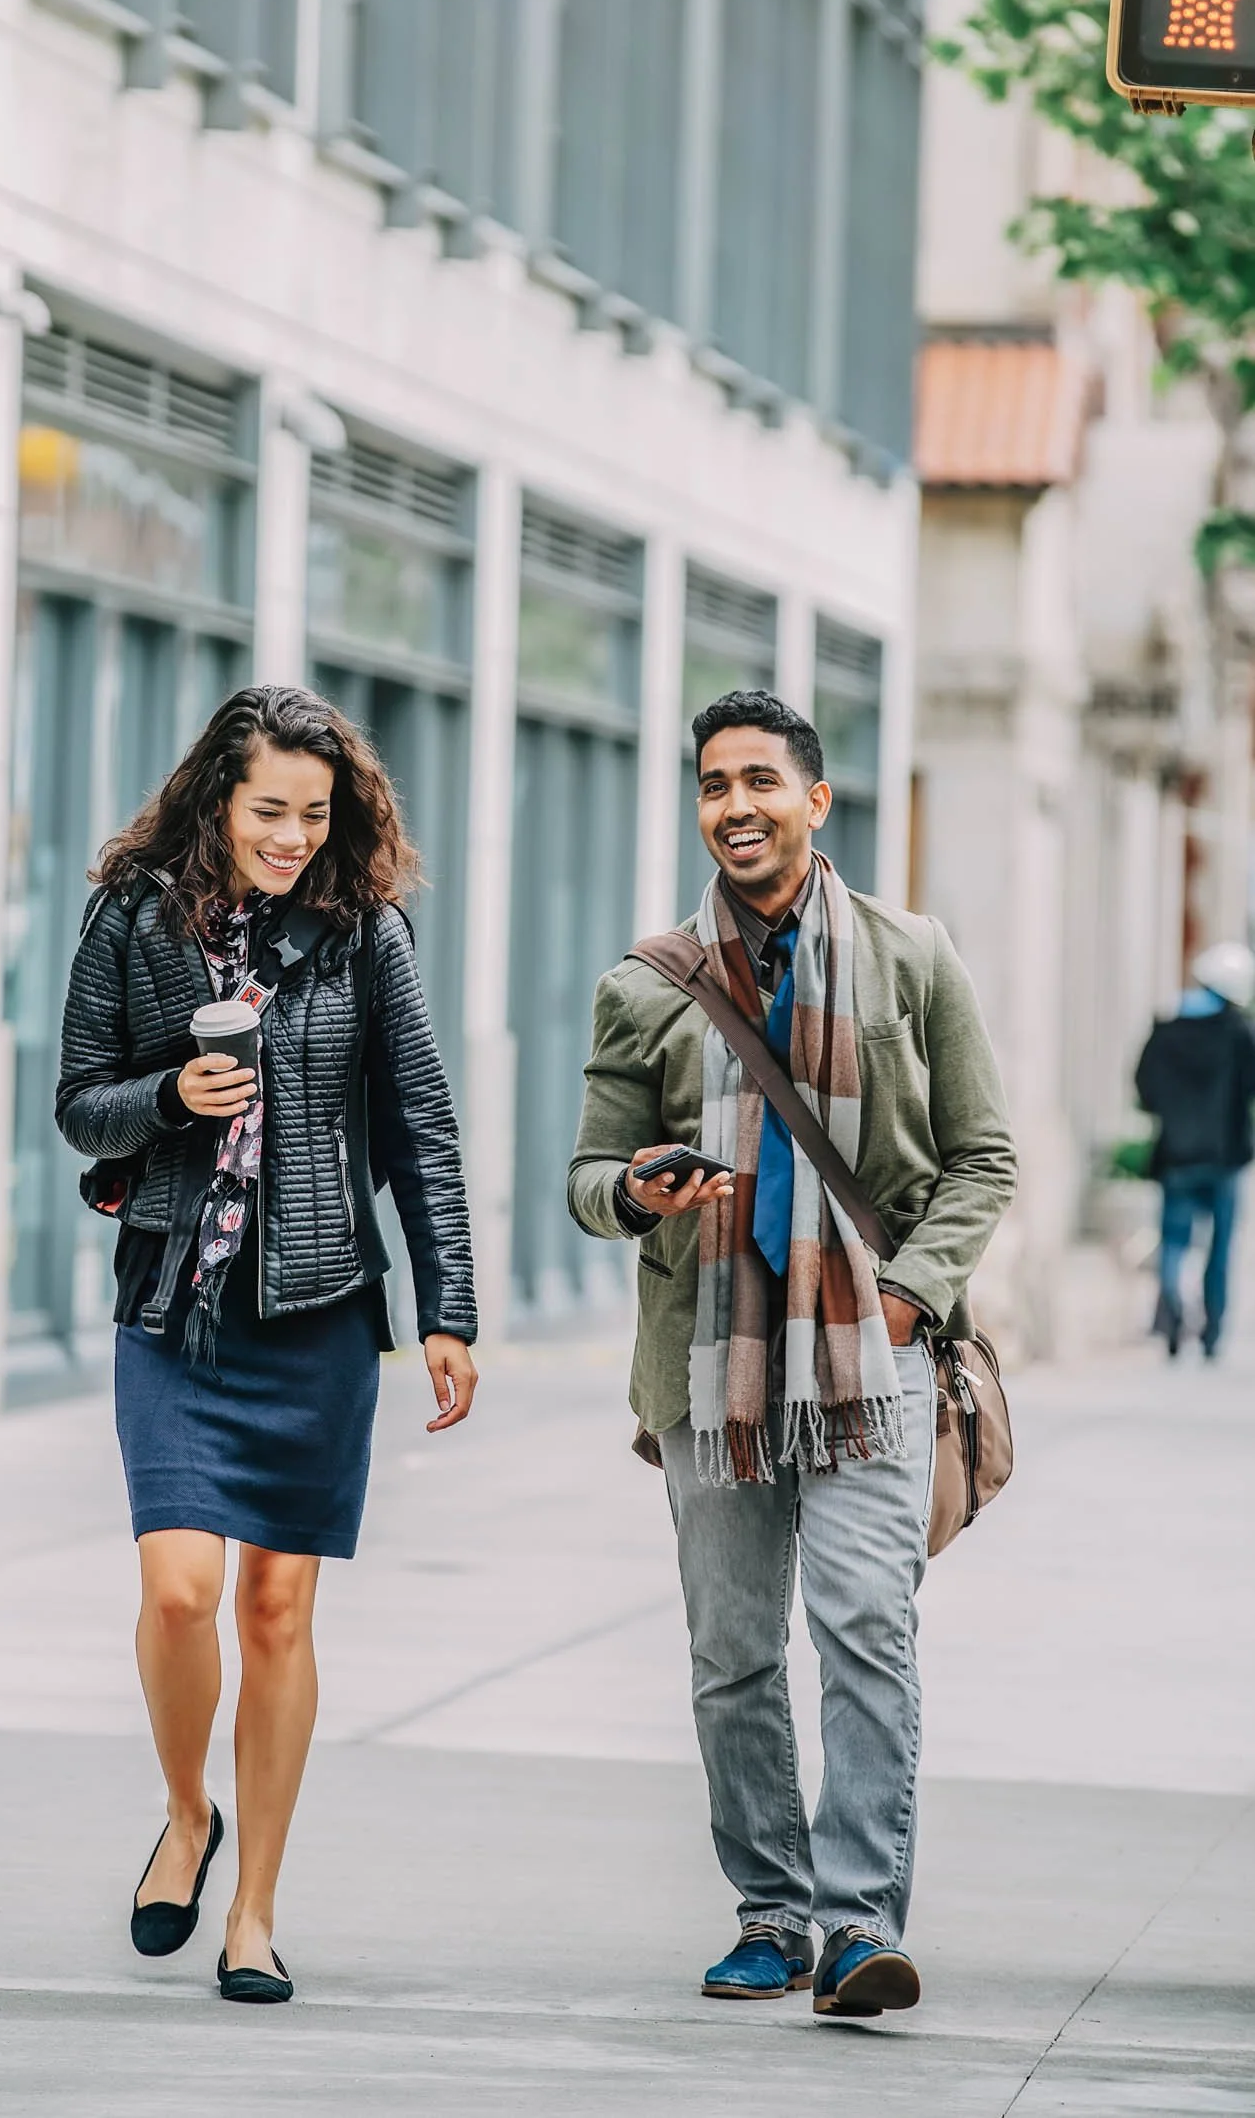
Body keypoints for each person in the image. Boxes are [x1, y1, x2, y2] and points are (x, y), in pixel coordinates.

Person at [567, 688, 1015, 2021]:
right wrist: (636, 1190)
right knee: (731, 1655)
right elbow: (588, 1176)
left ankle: (858, 1926)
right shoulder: (642, 985)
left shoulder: (909, 956)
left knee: (865, 1631)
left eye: (759, 779)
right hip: (710, 1372)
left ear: (814, 800)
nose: (734, 805)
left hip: (865, 1364)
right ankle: (768, 1912)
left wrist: (905, 1297)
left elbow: (980, 1158)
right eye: (712, 785)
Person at [56, 684, 478, 2006]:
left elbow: (419, 1123)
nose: (293, 836)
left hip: (315, 1318)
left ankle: (251, 1913)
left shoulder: (364, 938)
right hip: (174, 1309)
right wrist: (170, 1094)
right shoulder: (129, 916)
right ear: (215, 802)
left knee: (276, 1608)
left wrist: (446, 1306)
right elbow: (78, 1105)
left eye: (314, 813)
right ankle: (188, 1812)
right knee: (180, 1589)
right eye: (270, 812)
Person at [1134, 938, 1255, 1360]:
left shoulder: (1168, 1027)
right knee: (1218, 1249)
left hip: (1176, 1156)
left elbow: (1144, 1090)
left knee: (1173, 1242)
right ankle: (1212, 1332)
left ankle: (1171, 1317)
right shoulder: (1241, 1034)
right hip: (1224, 1159)